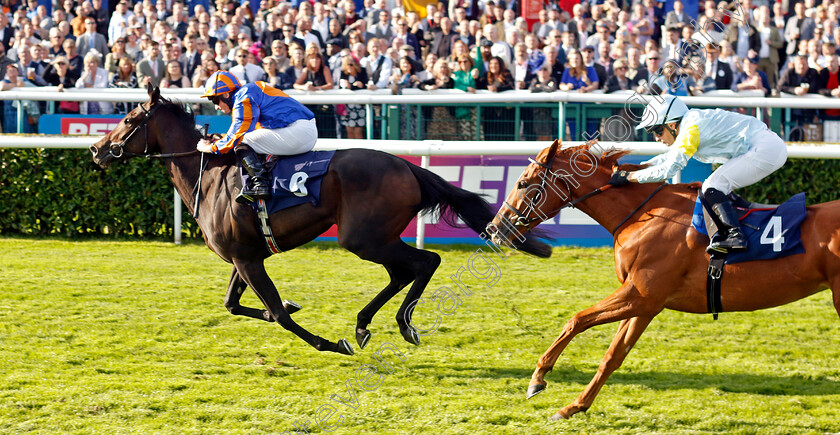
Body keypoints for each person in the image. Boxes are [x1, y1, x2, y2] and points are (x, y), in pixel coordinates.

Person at [608, 95, 788, 253]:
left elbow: (669, 169)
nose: (656, 137)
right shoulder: (688, 124)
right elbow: (668, 158)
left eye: (657, 130)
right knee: (716, 187)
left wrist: (630, 177)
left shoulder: (690, 129)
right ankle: (748, 220)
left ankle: (735, 235)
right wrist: (642, 166)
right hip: (763, 147)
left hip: (764, 149)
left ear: (671, 124)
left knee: (712, 186)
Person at [196, 70, 317, 204]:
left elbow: (237, 136)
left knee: (241, 142)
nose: (216, 107)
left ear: (225, 94)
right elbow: (249, 130)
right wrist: (221, 140)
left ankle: (260, 184)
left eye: (214, 99)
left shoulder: (243, 97)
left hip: (298, 131)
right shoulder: (248, 92)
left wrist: (209, 147)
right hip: (300, 130)